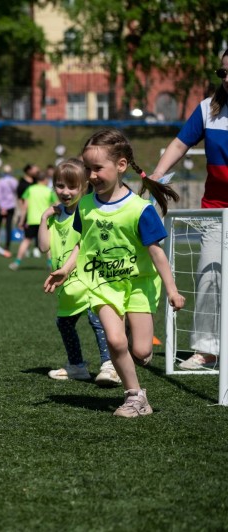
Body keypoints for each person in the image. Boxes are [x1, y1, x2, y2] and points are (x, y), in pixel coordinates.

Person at [44, 128, 185, 417]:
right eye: (88, 168)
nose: (91, 175)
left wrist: (172, 289)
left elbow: (156, 253)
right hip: (102, 284)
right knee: (116, 340)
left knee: (142, 352)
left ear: (121, 165)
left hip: (139, 285)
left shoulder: (139, 209)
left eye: (98, 168)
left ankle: (134, 340)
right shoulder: (85, 205)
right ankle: (135, 397)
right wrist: (66, 269)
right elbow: (82, 243)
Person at [150, 50, 228, 370]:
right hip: (216, 210)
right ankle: (207, 350)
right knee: (209, 278)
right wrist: (157, 176)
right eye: (222, 73)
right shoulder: (207, 109)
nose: (227, 79)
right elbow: (181, 144)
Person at [37, 159, 120, 386]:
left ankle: (110, 365)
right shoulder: (56, 215)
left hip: (90, 278)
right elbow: (43, 247)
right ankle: (77, 366)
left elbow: (85, 244)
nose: (65, 192)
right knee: (64, 323)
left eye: (72, 187)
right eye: (60, 185)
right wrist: (44, 218)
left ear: (84, 186)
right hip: (67, 283)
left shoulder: (87, 211)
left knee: (97, 319)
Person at [10, 169, 55, 270]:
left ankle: (17, 262)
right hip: (45, 221)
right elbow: (55, 204)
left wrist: (21, 221)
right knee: (48, 242)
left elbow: (24, 206)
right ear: (45, 179)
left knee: (26, 241)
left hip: (31, 220)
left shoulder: (30, 189)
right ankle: (50, 263)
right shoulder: (49, 191)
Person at [0, 165, 18, 250]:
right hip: (11, 206)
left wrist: (2, 207)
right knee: (8, 227)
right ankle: (7, 246)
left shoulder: (0, 181)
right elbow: (15, 193)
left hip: (2, 206)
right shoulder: (14, 181)